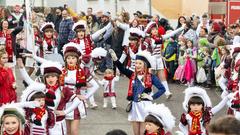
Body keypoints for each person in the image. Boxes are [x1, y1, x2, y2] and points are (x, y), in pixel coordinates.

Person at [110, 49, 166, 135]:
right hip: (134, 106)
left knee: (142, 133)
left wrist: (152, 97)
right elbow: (122, 69)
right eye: (136, 63)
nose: (137, 65)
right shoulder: (133, 75)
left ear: (145, 65)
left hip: (145, 107)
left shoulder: (151, 77)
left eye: (140, 63)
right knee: (136, 133)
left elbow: (162, 89)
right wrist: (115, 59)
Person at [143, 21, 184, 99]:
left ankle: (167, 92)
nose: (155, 31)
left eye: (156, 29)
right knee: (150, 76)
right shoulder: (148, 40)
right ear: (150, 31)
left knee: (162, 76)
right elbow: (143, 49)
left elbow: (171, 34)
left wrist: (181, 28)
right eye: (153, 29)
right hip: (151, 60)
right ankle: (151, 92)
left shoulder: (161, 37)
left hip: (159, 59)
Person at [59, 42, 88, 135]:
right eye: (68, 58)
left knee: (74, 131)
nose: (70, 60)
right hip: (64, 101)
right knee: (67, 131)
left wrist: (85, 96)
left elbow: (94, 85)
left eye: (73, 58)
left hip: (76, 102)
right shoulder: (62, 71)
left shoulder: (81, 71)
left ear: (77, 59)